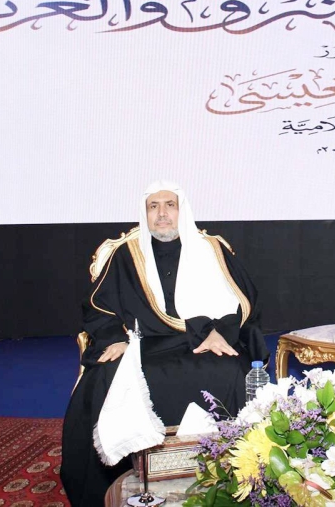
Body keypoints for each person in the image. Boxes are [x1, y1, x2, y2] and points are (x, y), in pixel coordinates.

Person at [61, 180, 269, 507]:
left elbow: (244, 302)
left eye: (169, 205)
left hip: (202, 340)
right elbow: (99, 307)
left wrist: (219, 331)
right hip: (143, 343)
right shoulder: (127, 255)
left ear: (182, 210)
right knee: (106, 377)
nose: (162, 214)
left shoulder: (210, 250)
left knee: (231, 371)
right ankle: (114, 481)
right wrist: (116, 338)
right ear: (144, 213)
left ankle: (234, 472)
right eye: (153, 206)